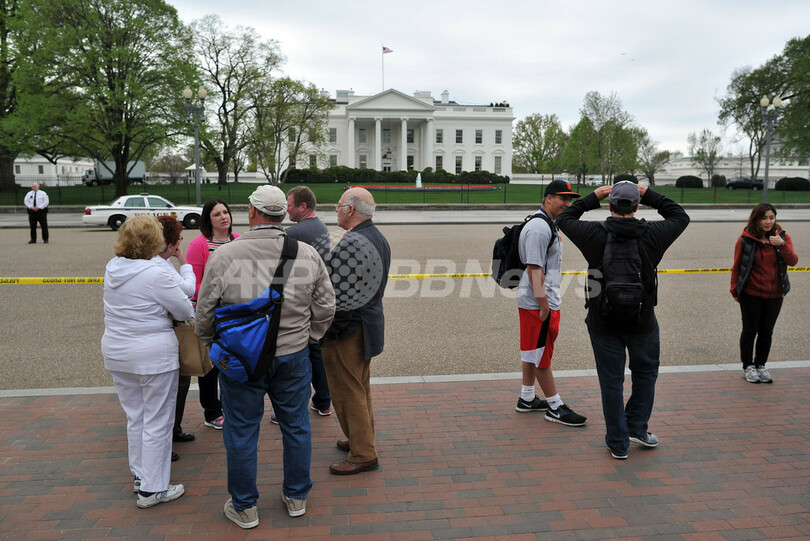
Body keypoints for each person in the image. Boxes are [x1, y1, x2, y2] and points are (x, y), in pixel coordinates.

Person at [195, 185, 335, 529]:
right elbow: (327, 306)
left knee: (241, 431)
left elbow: (205, 312)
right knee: (296, 426)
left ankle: (245, 507)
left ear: (252, 213)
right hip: (293, 355)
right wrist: (309, 336)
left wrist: (212, 341)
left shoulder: (225, 255)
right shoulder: (305, 254)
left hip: (241, 359)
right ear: (282, 215)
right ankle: (297, 496)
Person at [557, 181, 690, 460]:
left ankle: (618, 443)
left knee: (611, 382)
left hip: (602, 321)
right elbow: (680, 216)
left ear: (610, 205)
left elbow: (565, 217)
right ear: (637, 206)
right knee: (645, 375)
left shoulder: (593, 233)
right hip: (642, 320)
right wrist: (649, 192)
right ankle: (637, 426)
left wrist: (593, 195)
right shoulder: (652, 233)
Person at [101, 215, 193, 508]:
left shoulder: (113, 267)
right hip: (153, 355)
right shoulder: (156, 273)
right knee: (158, 420)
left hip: (118, 351)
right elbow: (182, 308)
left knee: (136, 417)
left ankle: (141, 476)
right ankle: (153, 488)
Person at [322, 187, 391, 475]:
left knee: (347, 390)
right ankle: (360, 439)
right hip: (366, 324)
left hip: (348, 329)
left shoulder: (354, 242)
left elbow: (341, 296)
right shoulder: (375, 236)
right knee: (360, 389)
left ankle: (362, 453)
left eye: (339, 206)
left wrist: (330, 330)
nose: (336, 211)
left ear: (350, 210)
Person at [515, 179, 588, 427]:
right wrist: (544, 304)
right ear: (548, 198)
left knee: (532, 351)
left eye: (570, 199)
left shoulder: (547, 224)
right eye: (563, 198)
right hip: (539, 304)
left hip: (537, 301)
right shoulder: (539, 228)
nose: (568, 203)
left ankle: (526, 398)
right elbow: (534, 268)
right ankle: (555, 407)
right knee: (541, 356)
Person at [270, 186, 332, 424]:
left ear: (303, 207)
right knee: (315, 353)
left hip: (300, 300)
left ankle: (292, 409)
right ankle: (323, 400)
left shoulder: (295, 232)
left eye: (290, 204)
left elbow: (280, 271)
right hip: (316, 296)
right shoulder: (320, 226)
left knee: (301, 359)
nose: (287, 209)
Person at [186, 199, 240, 431]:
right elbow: (193, 283)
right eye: (217, 214)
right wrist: (217, 291)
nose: (223, 217)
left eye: (226, 212)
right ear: (208, 219)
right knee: (211, 365)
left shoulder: (239, 241)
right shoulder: (199, 245)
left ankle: (233, 406)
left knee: (234, 361)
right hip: (211, 312)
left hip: (237, 313)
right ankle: (212, 410)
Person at [730, 203, 798, 384]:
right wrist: (735, 290)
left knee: (766, 332)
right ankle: (748, 366)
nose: (768, 222)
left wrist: (782, 245)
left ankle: (761, 365)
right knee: (749, 330)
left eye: (771, 217)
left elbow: (793, 261)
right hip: (751, 293)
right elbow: (737, 267)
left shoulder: (782, 237)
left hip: (775, 294)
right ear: (756, 219)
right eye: (764, 218)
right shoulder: (745, 239)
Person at [153, 216, 197, 453]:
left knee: (177, 385)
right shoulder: (160, 267)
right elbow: (187, 293)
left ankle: (174, 429)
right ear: (171, 244)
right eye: (179, 239)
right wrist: (184, 260)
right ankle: (165, 439)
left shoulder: (155, 262)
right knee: (173, 387)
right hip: (166, 334)